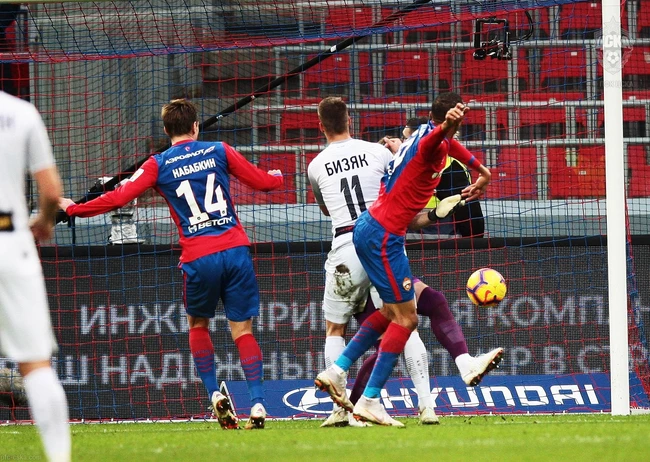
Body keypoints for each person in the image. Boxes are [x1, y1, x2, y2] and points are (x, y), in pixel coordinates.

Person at [60, 99, 284, 430]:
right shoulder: (219, 150)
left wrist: (74, 209)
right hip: (235, 250)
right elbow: (263, 182)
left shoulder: (158, 164)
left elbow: (120, 197)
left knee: (198, 325)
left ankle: (214, 394)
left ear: (166, 130)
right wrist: (278, 177)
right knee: (243, 330)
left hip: (198, 256)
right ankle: (259, 403)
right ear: (196, 126)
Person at [316, 102, 493, 426]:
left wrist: (483, 172)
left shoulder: (429, 138)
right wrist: (448, 128)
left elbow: (449, 144)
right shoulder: (416, 146)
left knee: (389, 315)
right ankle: (374, 399)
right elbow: (436, 141)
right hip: (384, 237)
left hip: (361, 234)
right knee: (407, 319)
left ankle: (339, 374)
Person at [308, 97, 439, 425]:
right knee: (404, 320)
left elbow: (325, 208)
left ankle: (339, 410)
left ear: (321, 126)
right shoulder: (378, 153)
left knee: (335, 328)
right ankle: (426, 406)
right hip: (382, 241)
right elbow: (402, 183)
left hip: (344, 245)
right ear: (350, 120)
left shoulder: (315, 165)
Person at [0, 90, 71, 461]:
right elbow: (51, 191)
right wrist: (43, 222)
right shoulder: (21, 112)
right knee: (36, 366)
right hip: (11, 242)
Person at [403, 107, 485, 238]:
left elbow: (467, 210)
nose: (403, 142)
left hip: (440, 234)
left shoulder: (450, 168)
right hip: (412, 232)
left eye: (406, 138)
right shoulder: (402, 163)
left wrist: (474, 241)